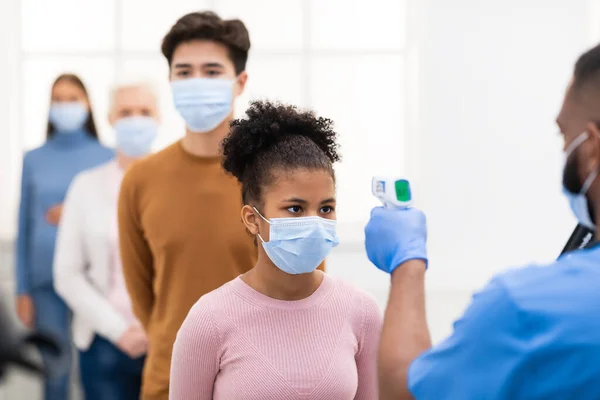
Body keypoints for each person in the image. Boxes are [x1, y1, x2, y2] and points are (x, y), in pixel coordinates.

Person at [364, 43, 600, 400]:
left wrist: (406, 261)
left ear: (592, 147)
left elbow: (404, 391)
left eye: (564, 135)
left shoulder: (527, 309)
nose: (565, 147)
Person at [169, 100, 382, 399]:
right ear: (253, 219)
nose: (314, 221)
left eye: (326, 208)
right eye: (295, 208)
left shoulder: (362, 313)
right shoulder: (209, 320)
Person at [118, 12, 260, 399]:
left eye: (212, 70)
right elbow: (142, 294)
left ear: (239, 82)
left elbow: (308, 285)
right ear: (170, 81)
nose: (197, 81)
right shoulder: (140, 180)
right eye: (184, 72)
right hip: (169, 381)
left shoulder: (273, 178)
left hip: (260, 380)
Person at [53, 79, 160, 400]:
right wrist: (118, 330)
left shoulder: (176, 186)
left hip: (168, 340)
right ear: (110, 119)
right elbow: (67, 273)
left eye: (144, 112)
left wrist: (160, 329)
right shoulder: (86, 186)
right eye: (126, 112)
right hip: (104, 342)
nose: (135, 120)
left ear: (158, 119)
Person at [15, 73, 113, 400]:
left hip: (95, 279)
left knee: (97, 367)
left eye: (73, 99)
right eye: (58, 99)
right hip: (45, 284)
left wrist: (73, 211)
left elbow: (116, 218)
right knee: (55, 371)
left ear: (87, 105)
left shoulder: (108, 156)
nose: (65, 106)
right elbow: (24, 226)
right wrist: (22, 289)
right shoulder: (34, 158)